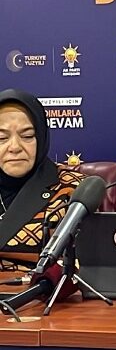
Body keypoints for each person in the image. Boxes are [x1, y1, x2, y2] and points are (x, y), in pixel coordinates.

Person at [0, 88, 85, 268]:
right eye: (2, 138)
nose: (14, 147)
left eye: (27, 136)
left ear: (41, 137)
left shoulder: (74, 190)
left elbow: (86, 265)